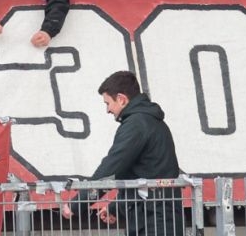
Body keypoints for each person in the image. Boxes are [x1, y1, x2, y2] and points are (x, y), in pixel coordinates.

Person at [63, 70, 183, 236]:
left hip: (153, 222)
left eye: (107, 103)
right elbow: (143, 174)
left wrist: (77, 203)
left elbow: (112, 168)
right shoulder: (149, 121)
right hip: (157, 217)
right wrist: (114, 207)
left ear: (121, 99)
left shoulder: (136, 124)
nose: (107, 110)